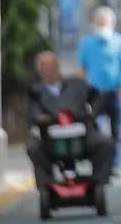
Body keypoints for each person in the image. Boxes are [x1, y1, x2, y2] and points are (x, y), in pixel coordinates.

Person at [26, 51, 115, 191]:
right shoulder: (36, 92)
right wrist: (42, 119)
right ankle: (46, 186)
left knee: (105, 144)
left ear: (57, 66)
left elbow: (99, 97)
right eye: (43, 66)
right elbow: (34, 113)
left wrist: (92, 115)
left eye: (50, 65)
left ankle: (99, 182)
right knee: (34, 148)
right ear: (39, 70)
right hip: (51, 137)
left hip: (82, 133)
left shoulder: (77, 84)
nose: (47, 69)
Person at [76, 6, 121, 174]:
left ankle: (114, 165)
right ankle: (99, 163)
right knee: (95, 130)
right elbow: (82, 70)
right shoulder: (86, 44)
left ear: (112, 24)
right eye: (99, 23)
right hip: (95, 94)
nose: (102, 27)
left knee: (117, 131)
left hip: (116, 92)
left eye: (105, 23)